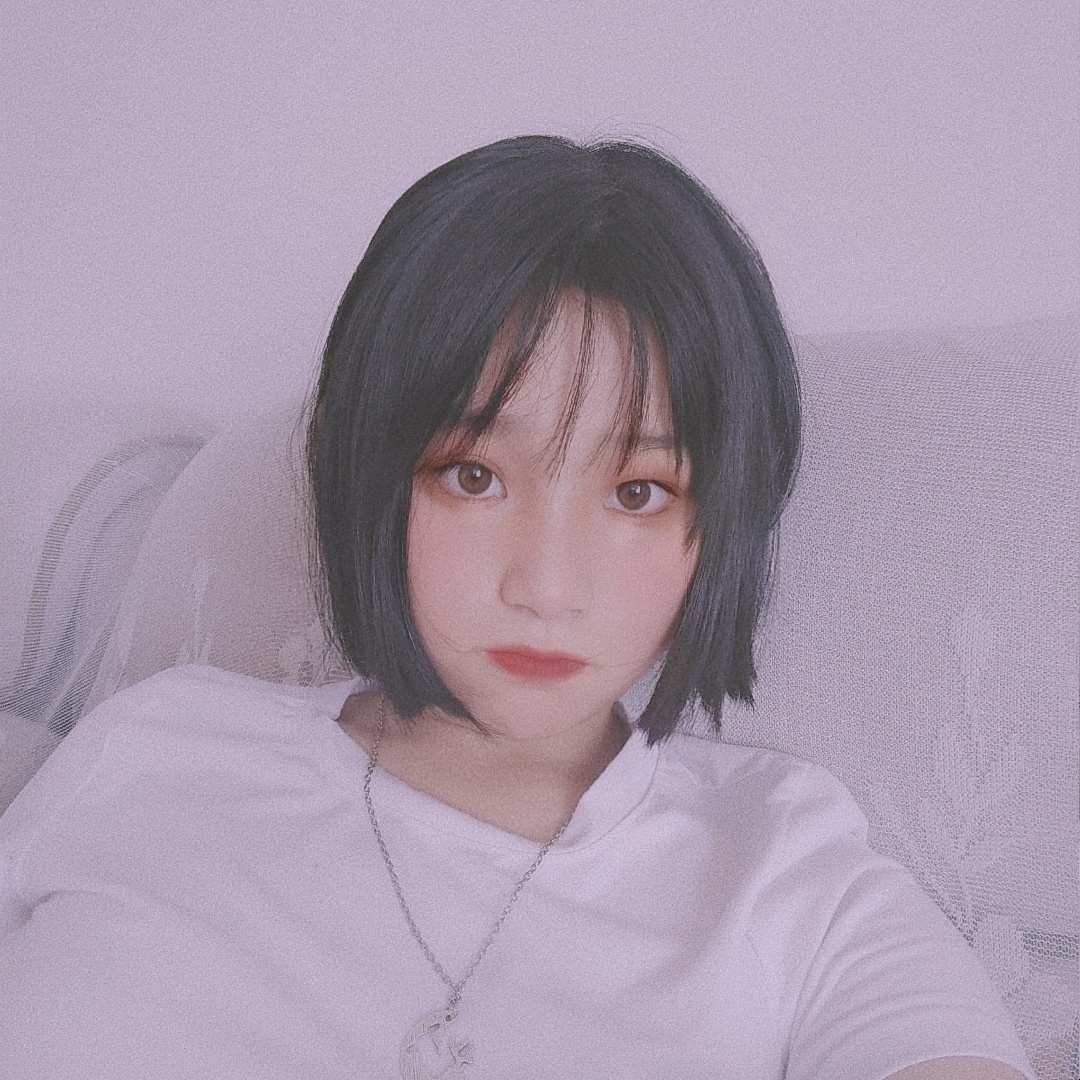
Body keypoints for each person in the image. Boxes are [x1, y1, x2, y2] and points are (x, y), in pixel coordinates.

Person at [0, 136, 1033, 1079]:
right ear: (370, 475)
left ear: (719, 525)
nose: (545, 587)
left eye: (638, 493)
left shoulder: (785, 872)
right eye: (474, 477)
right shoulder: (154, 744)